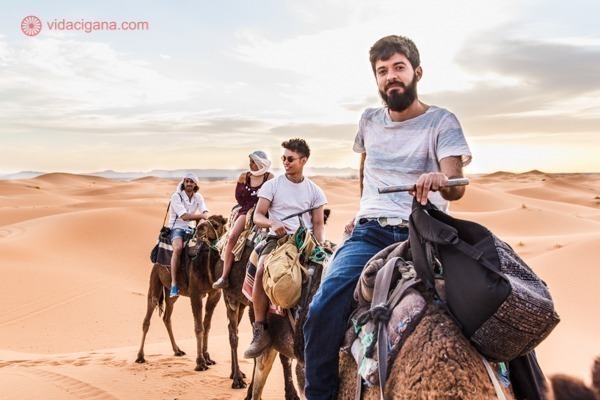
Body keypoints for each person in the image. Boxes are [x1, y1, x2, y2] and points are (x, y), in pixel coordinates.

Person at [303, 35, 472, 399]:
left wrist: (440, 181)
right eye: (383, 71)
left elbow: (457, 184)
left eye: (398, 67)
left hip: (428, 230)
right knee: (321, 307)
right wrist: (363, 208)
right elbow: (366, 167)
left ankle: (523, 386)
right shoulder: (368, 120)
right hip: (371, 232)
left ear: (417, 72)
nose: (391, 76)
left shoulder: (442, 121)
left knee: (498, 294)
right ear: (376, 79)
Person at [243, 138, 327, 359]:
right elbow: (258, 215)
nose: (286, 163)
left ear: (303, 160)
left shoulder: (315, 191)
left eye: (290, 159)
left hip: (305, 241)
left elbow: (318, 224)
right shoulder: (273, 185)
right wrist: (272, 223)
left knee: (330, 271)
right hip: (277, 240)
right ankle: (260, 330)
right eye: (284, 158)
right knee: (262, 268)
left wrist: (319, 247)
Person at [213, 151, 274, 289]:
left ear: (260, 163)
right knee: (232, 236)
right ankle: (224, 277)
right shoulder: (244, 177)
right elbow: (239, 198)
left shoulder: (269, 177)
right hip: (247, 211)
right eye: (250, 161)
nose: (250, 164)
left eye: (253, 162)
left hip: (265, 212)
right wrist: (250, 208)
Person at [168, 172, 210, 298]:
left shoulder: (198, 197)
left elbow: (205, 210)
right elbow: (184, 216)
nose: (189, 184)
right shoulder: (176, 196)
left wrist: (204, 216)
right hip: (176, 228)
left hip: (190, 228)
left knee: (204, 248)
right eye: (187, 181)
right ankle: (174, 284)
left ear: (195, 184)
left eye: (191, 182)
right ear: (183, 183)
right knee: (178, 249)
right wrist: (202, 216)